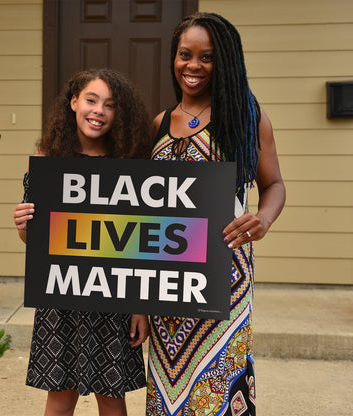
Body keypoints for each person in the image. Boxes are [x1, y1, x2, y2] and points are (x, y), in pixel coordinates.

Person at [146, 12, 285, 416]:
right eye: (185, 54)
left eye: (206, 57)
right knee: (168, 389)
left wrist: (264, 219)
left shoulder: (246, 119)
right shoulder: (157, 125)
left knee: (219, 384)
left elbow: (274, 185)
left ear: (224, 61)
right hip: (166, 280)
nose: (193, 66)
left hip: (224, 276)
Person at [13, 68, 153, 416]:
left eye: (110, 104)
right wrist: (22, 225)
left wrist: (140, 307)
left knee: (111, 398)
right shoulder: (48, 163)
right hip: (61, 298)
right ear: (74, 102)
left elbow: (139, 243)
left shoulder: (130, 167)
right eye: (91, 100)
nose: (99, 111)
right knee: (60, 396)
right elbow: (37, 240)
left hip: (114, 297)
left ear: (119, 114)